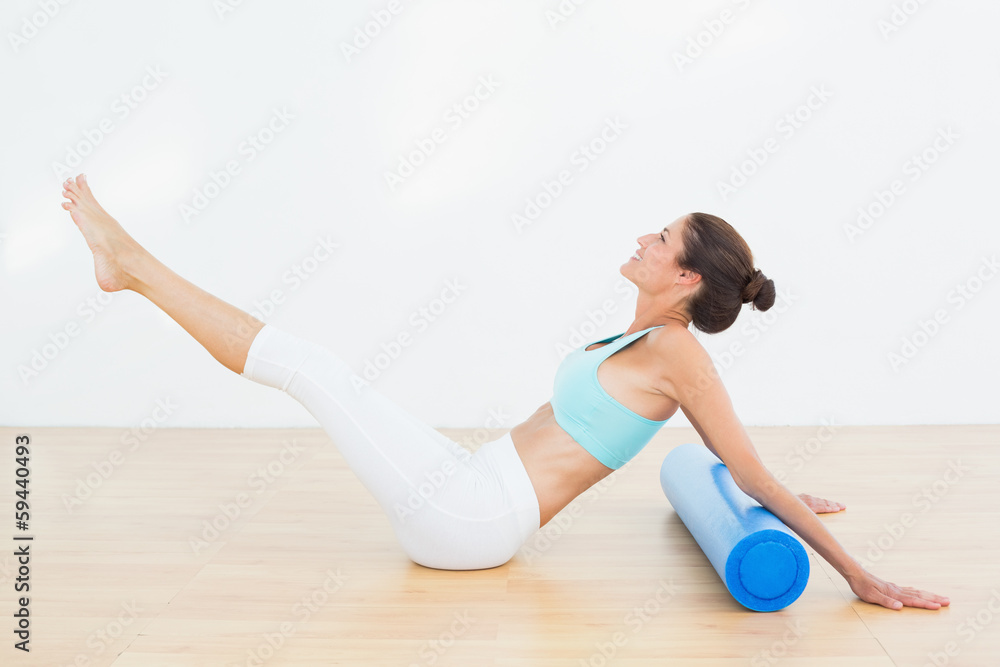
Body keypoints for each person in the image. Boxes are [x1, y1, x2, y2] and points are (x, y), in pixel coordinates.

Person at [60, 174, 949, 611]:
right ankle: (130, 268)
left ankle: (130, 268)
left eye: (663, 236)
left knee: (312, 367)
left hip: (472, 520)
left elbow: (743, 463)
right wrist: (785, 491)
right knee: (331, 370)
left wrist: (861, 576)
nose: (644, 235)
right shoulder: (643, 332)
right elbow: (740, 465)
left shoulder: (680, 355)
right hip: (468, 479)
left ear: (683, 279)